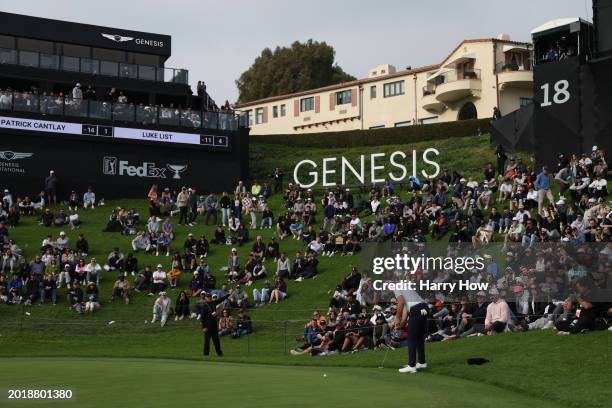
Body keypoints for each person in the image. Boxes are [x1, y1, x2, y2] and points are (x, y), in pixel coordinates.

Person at [394, 287, 429, 373]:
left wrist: (397, 318)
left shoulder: (396, 288)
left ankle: (412, 366)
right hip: (424, 307)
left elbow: (401, 303)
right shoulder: (406, 289)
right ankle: (422, 362)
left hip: (416, 309)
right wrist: (401, 324)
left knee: (411, 339)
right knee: (419, 337)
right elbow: (406, 308)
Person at [200, 292, 223, 357]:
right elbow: (202, 317)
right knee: (207, 341)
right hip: (207, 326)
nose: (209, 297)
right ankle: (206, 354)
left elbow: (221, 300)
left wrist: (228, 295)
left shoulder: (213, 303)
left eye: (210, 296)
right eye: (208, 296)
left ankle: (219, 353)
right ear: (205, 298)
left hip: (214, 325)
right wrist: (203, 327)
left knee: (216, 340)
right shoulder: (204, 306)